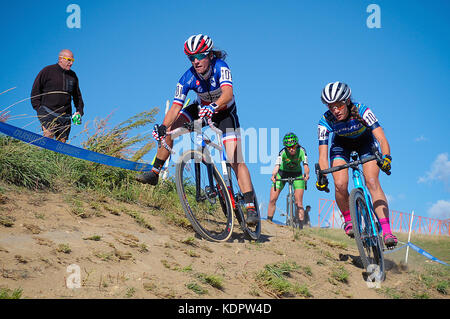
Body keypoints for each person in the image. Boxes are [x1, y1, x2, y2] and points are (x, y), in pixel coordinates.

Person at [136, 34, 259, 225]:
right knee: (168, 130)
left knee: (235, 158)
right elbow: (175, 108)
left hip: (225, 113)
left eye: (199, 56)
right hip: (200, 109)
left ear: (209, 55)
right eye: (191, 58)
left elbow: (227, 94)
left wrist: (214, 106)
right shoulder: (187, 78)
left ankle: (250, 206)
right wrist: (162, 126)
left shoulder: (221, 67)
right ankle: (155, 172)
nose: (195, 61)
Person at [316, 81, 397, 247]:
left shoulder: (362, 110)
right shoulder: (325, 121)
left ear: (346, 101)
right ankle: (348, 220)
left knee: (372, 182)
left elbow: (381, 138)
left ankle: (387, 231)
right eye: (331, 106)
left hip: (365, 143)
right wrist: (323, 175)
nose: (335, 110)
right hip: (341, 147)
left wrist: (387, 157)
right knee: (339, 184)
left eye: (338, 105)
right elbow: (323, 156)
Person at [31, 49, 84, 143]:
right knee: (48, 137)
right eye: (68, 60)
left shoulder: (73, 76)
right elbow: (36, 90)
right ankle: (43, 157)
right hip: (47, 112)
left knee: (61, 145)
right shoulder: (47, 71)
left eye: (72, 61)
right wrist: (39, 108)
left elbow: (77, 96)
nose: (71, 63)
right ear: (61, 59)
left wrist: (79, 111)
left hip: (65, 116)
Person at [267, 132, 310, 227]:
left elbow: (306, 165)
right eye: (288, 147)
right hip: (282, 173)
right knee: (272, 199)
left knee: (299, 203)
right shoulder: (282, 152)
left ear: (297, 144)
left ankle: (301, 228)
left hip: (297, 174)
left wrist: (306, 174)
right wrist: (273, 175)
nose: (291, 149)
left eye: (293, 147)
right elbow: (276, 166)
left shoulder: (302, 151)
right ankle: (269, 222)